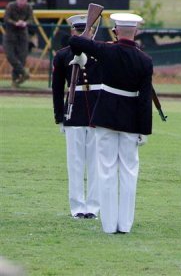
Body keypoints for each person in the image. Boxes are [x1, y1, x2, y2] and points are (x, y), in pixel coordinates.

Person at [69, 13, 153, 234]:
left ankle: (108, 225)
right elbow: (145, 99)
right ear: (135, 32)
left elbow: (74, 42)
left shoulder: (107, 50)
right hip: (131, 119)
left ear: (116, 31)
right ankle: (124, 225)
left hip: (106, 115)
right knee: (128, 172)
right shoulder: (145, 60)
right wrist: (145, 130)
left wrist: (87, 33)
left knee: (106, 170)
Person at [52, 14, 100, 220]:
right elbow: (56, 89)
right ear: (72, 31)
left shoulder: (101, 52)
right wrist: (59, 116)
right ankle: (77, 207)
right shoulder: (63, 55)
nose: (81, 34)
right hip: (73, 111)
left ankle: (94, 207)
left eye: (85, 31)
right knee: (75, 162)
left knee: (96, 162)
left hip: (97, 111)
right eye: (78, 31)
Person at [3, 0, 34, 88]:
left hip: (23, 36)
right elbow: (6, 18)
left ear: (26, 0)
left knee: (22, 57)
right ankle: (24, 73)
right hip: (10, 35)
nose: (21, 2)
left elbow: (31, 19)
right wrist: (15, 23)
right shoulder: (10, 6)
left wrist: (25, 23)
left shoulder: (29, 7)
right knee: (10, 56)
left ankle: (15, 80)